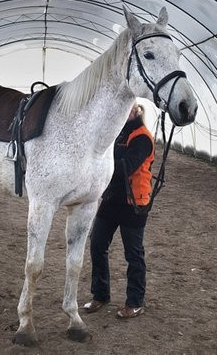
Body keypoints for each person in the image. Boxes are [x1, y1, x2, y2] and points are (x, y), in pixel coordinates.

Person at [83, 101, 155, 319]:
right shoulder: (118, 133)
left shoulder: (142, 137)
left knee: (133, 253)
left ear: (136, 112)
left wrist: (97, 163)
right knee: (97, 244)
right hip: (112, 199)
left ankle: (134, 301)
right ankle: (100, 294)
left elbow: (127, 166)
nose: (126, 111)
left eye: (130, 108)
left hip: (134, 202)